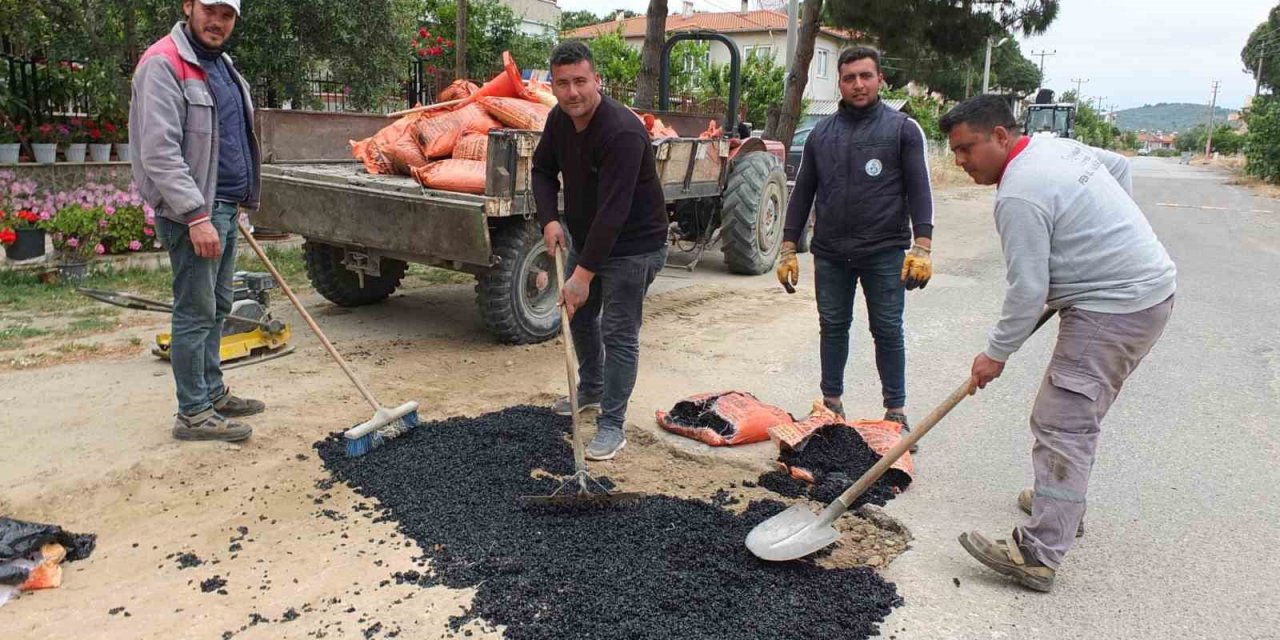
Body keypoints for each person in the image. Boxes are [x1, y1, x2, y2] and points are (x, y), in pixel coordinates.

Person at [940, 94, 1176, 592]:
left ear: (1002, 136)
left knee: (1062, 422)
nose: (960, 162)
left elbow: (1027, 290)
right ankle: (1062, 506)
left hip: (1114, 308)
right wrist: (1102, 236)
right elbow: (1117, 166)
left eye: (967, 149)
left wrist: (995, 355)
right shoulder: (1052, 147)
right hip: (1145, 292)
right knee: (1077, 417)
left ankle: (1038, 554)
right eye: (955, 152)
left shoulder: (1018, 195)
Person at [777, 46, 935, 447]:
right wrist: (788, 245)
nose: (858, 84)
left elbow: (920, 188)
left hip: (884, 250)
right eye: (850, 78)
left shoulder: (902, 129)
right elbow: (803, 194)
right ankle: (831, 406)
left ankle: (896, 413)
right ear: (840, 83)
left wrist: (923, 245)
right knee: (832, 327)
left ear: (880, 79)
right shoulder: (821, 135)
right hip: (831, 253)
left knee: (887, 329)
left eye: (866, 76)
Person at [130, 0, 264, 442]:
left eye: (227, 15)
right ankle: (192, 413)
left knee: (219, 307)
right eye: (210, 9)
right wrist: (196, 216)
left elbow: (228, 139)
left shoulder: (221, 66)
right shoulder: (163, 64)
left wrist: (234, 204)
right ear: (188, 6)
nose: (217, 21)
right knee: (195, 310)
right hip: (194, 214)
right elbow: (160, 152)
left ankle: (212, 393)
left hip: (222, 208)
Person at [531, 41, 668, 461]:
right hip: (589, 238)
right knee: (580, 317)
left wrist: (582, 276)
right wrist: (550, 219)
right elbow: (541, 169)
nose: (572, 92)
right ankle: (590, 388)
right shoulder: (558, 119)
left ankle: (612, 424)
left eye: (581, 82)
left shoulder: (622, 131)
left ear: (598, 81)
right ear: (552, 85)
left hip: (634, 246)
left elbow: (614, 211)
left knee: (618, 332)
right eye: (563, 83)